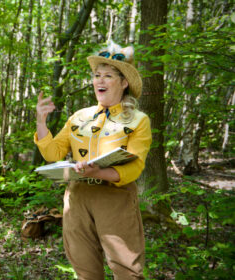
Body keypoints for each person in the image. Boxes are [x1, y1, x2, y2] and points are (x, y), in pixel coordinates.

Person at [34, 41, 152, 279]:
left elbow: (135, 167)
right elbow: (54, 154)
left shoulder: (138, 120)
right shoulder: (79, 117)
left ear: (124, 82)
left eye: (108, 75)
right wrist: (41, 122)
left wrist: (96, 172)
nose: (99, 80)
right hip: (77, 198)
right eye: (97, 75)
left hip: (114, 199)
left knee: (127, 270)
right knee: (85, 269)